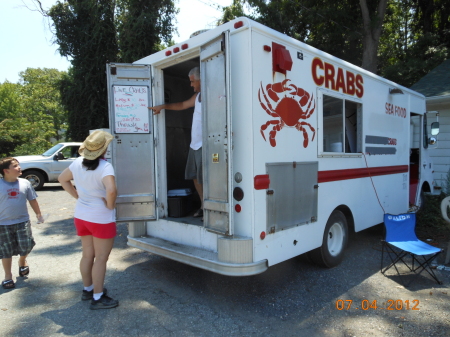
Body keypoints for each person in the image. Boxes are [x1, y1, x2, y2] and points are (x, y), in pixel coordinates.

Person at [58, 130, 118, 310]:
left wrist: (77, 196)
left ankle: (88, 289)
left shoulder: (77, 163)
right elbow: (111, 190)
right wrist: (110, 205)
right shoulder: (105, 167)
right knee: (100, 258)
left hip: (81, 216)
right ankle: (98, 297)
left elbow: (62, 179)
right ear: (104, 149)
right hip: (101, 218)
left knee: (87, 255)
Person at [148, 67, 204, 219]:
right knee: (194, 176)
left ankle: (212, 209)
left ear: (202, 78)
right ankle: (204, 206)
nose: (191, 85)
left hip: (206, 145)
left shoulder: (213, 94)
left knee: (206, 178)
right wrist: (163, 106)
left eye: (193, 82)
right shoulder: (197, 96)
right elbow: (182, 105)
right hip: (195, 145)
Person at [0, 157, 43, 290]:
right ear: (6, 171)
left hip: (22, 221)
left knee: (26, 245)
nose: (19, 167)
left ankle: (22, 260)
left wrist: (38, 214)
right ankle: (8, 276)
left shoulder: (25, 183)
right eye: (15, 166)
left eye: (18, 165)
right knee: (6, 251)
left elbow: (33, 200)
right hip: (3, 223)